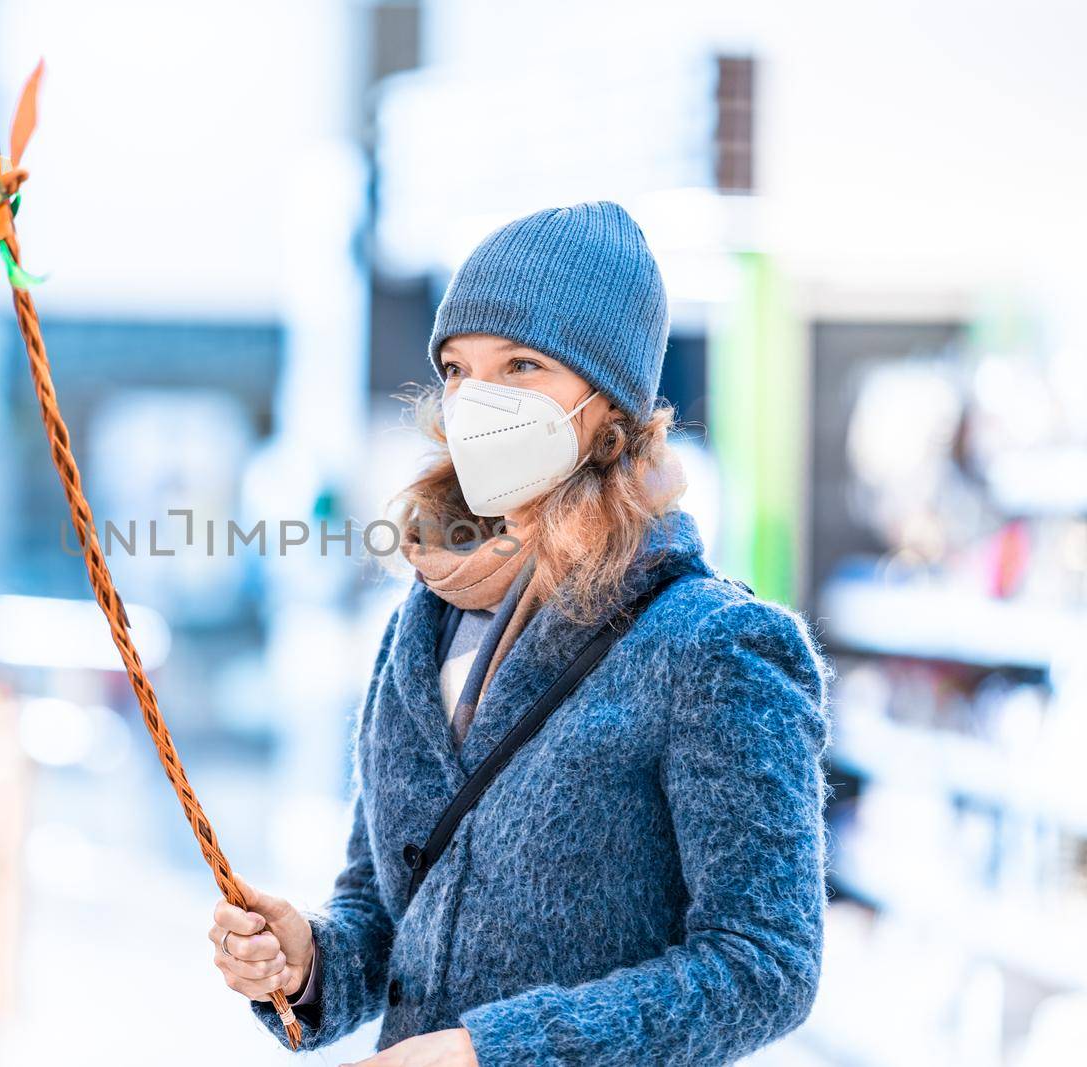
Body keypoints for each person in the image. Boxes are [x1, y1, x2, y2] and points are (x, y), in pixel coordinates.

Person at [207, 201, 832, 1066]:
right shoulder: (424, 620)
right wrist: (308, 960)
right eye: (459, 368)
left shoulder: (714, 648)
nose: (476, 401)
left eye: (523, 365)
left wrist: (491, 1051)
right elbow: (387, 908)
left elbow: (763, 965)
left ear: (611, 406)